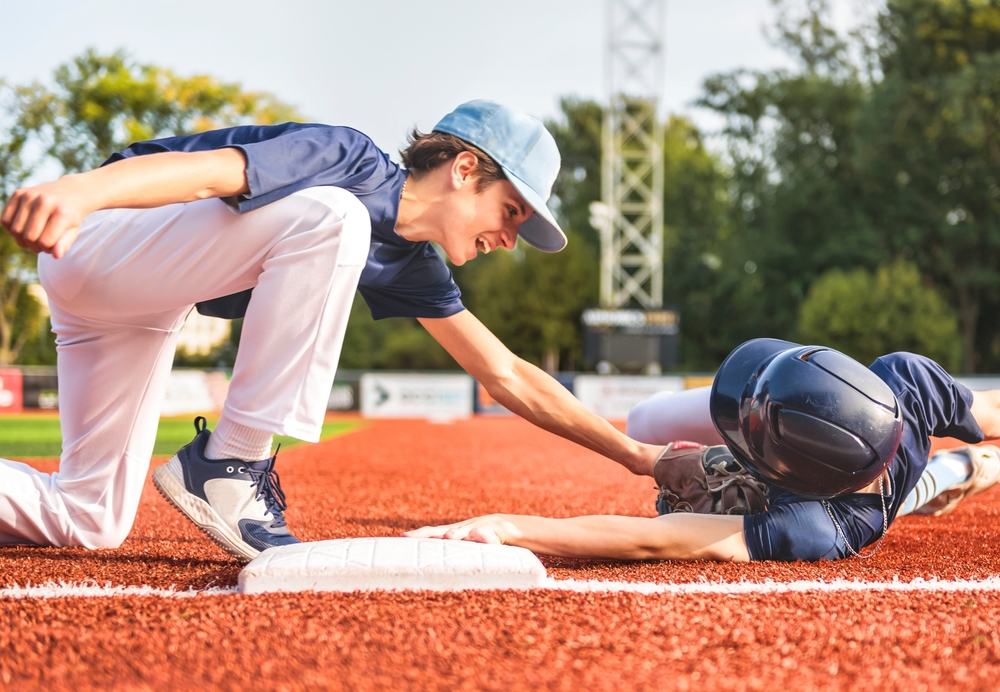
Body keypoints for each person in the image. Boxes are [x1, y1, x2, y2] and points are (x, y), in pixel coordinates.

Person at [0, 100, 665, 561]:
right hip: (104, 236)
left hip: (138, 307)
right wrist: (82, 190)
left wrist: (640, 458)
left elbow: (506, 373)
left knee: (87, 521)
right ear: (464, 170)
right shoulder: (349, 161)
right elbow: (209, 173)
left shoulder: (412, 264)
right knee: (336, 218)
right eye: (511, 211)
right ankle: (232, 462)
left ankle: (217, 469)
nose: (511, 239)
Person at [408, 340, 1000, 562]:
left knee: (645, 420)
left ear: (790, 477)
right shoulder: (907, 384)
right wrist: (643, 456)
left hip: (875, 496)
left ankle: (963, 467)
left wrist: (509, 527)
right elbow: (990, 410)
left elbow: (653, 538)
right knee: (642, 423)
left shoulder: (815, 527)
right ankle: (964, 466)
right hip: (877, 475)